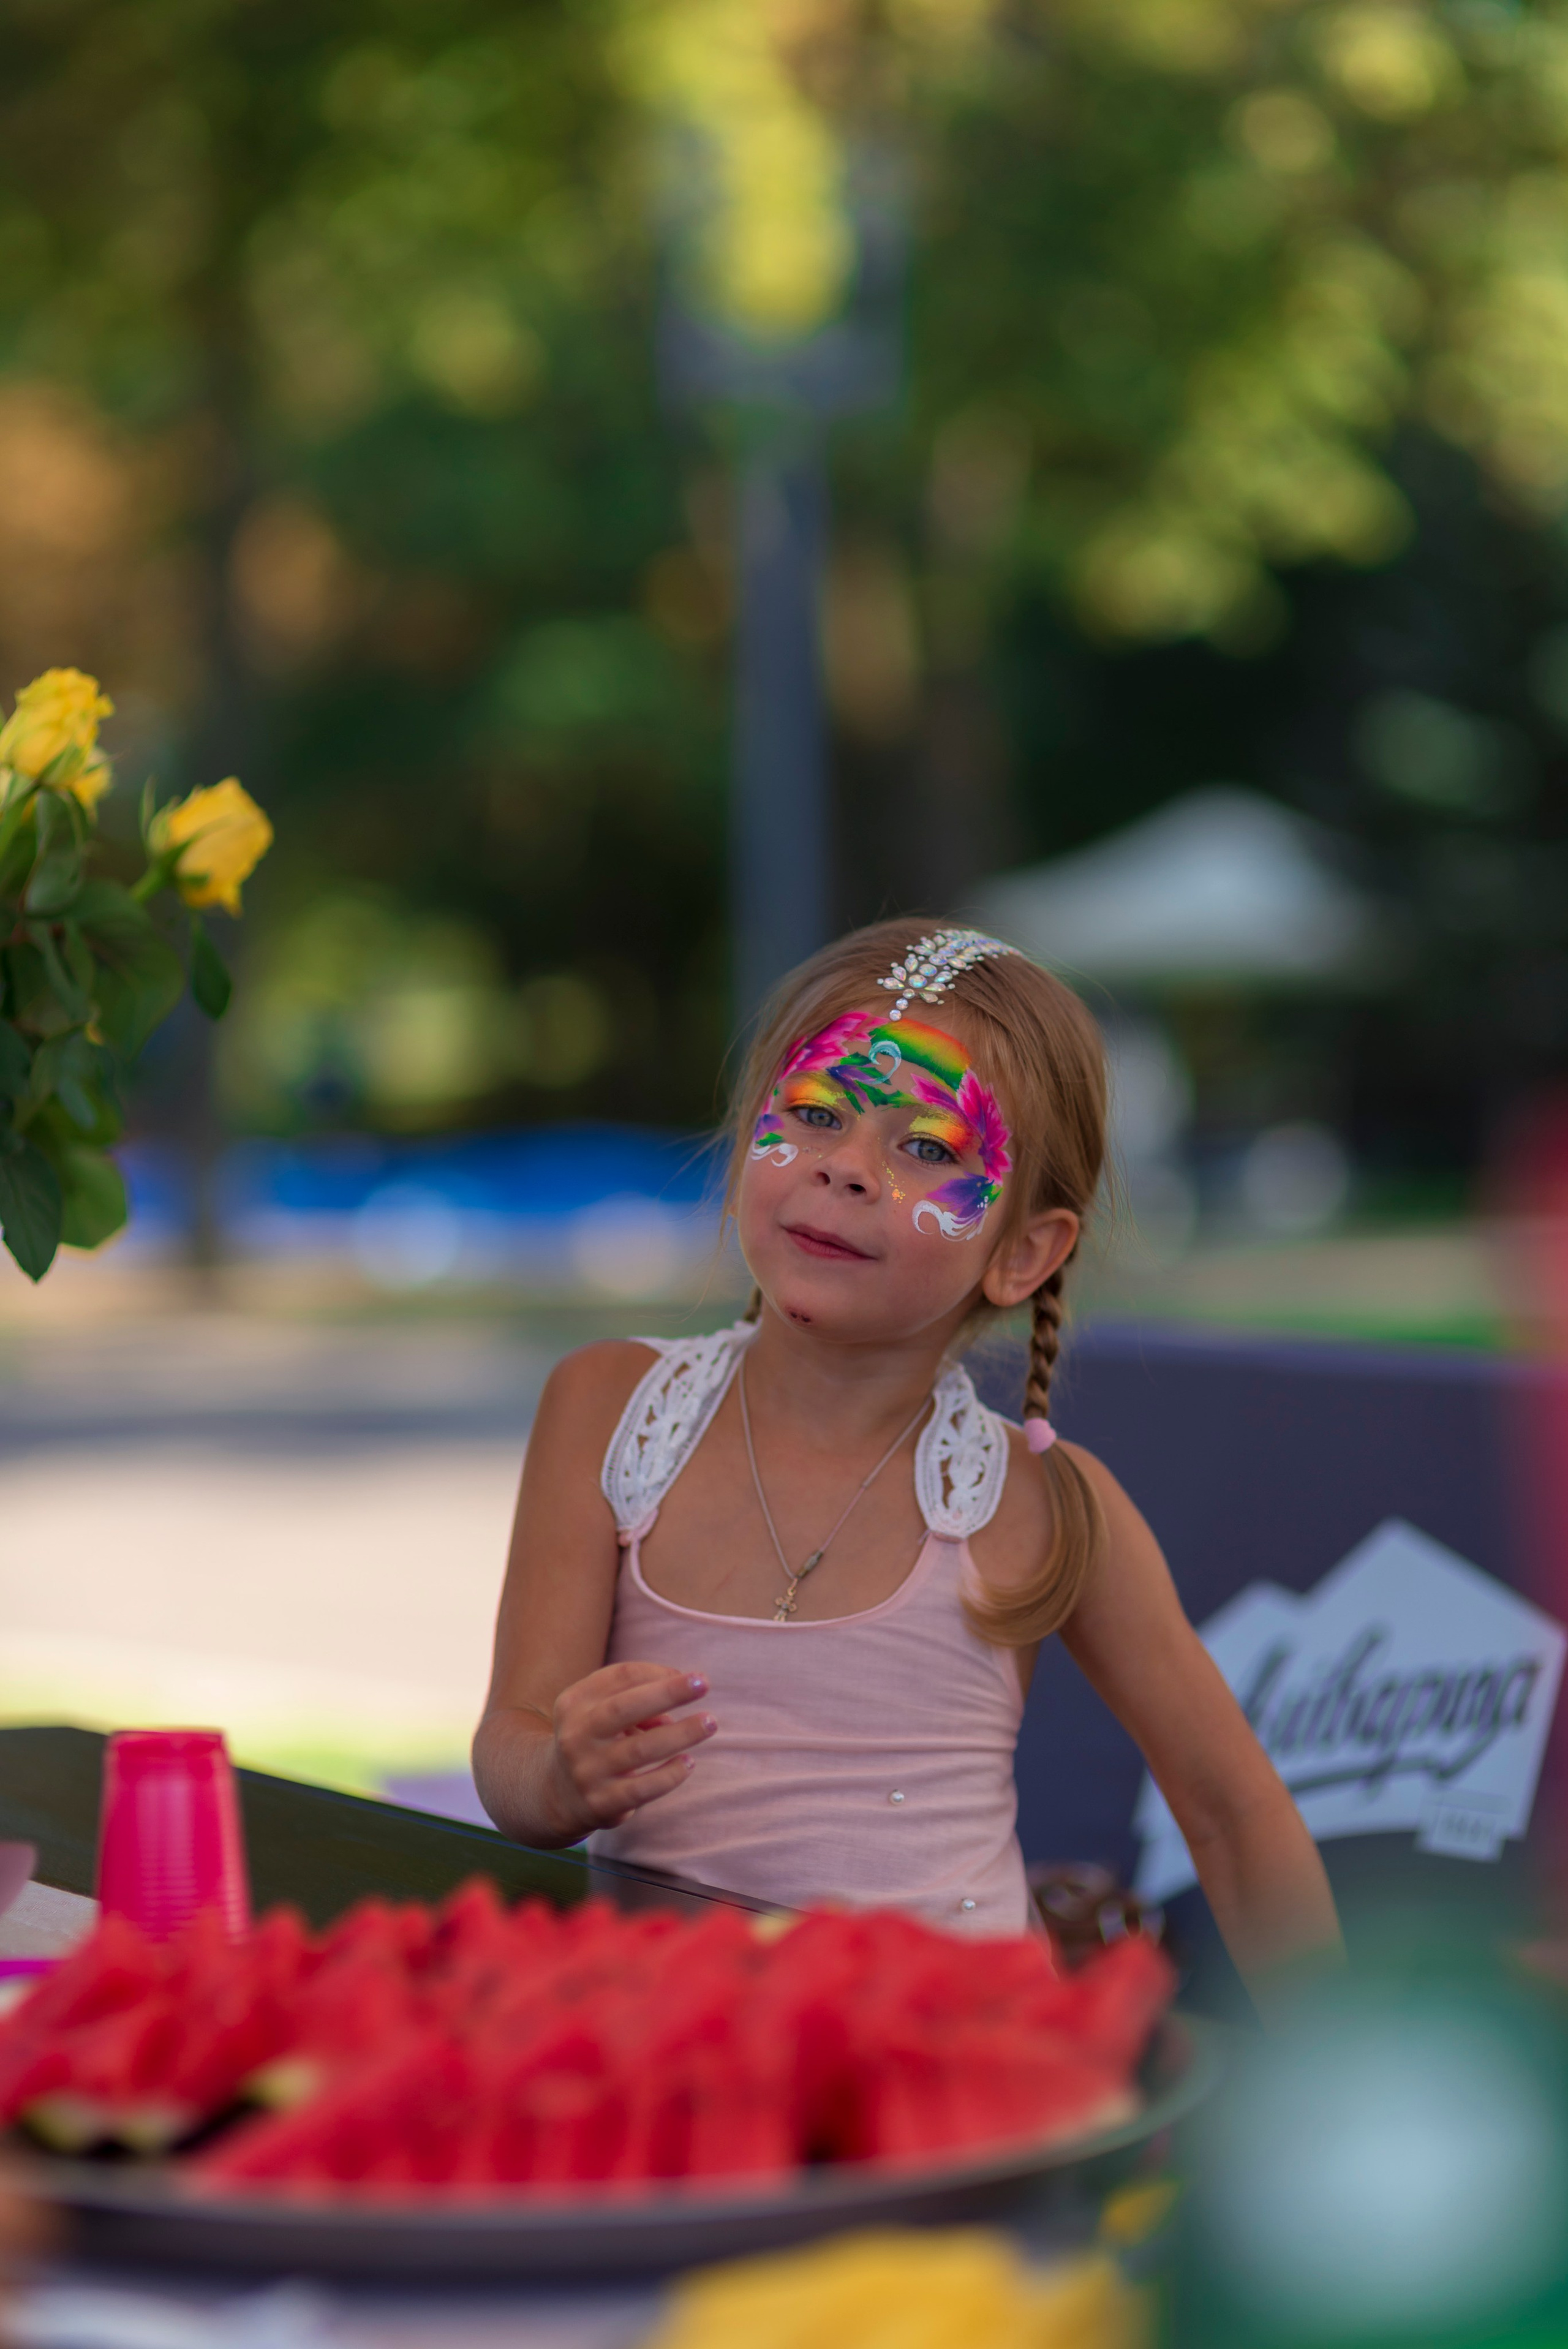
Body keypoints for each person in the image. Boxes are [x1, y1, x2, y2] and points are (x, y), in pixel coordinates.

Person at [473, 921, 1340, 1997]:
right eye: (816, 1114)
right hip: (680, 2070)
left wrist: (1353, 2096)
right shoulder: (607, 1409)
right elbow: (510, 1745)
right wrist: (559, 1774)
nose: (846, 1168)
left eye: (927, 1148)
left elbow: (1233, 1815)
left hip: (958, 2071)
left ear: (1025, 1251)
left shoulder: (1044, 1505)